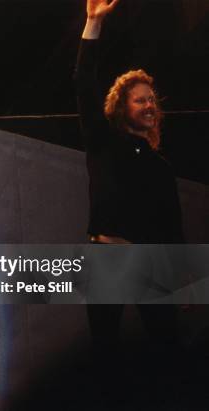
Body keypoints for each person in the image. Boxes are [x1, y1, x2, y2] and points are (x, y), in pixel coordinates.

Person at [75, 0, 182, 367]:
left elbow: (172, 228)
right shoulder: (104, 142)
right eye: (141, 100)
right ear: (123, 107)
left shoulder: (160, 167)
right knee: (105, 352)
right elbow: (84, 84)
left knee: (167, 347)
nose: (150, 105)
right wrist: (92, 24)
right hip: (107, 258)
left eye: (152, 100)